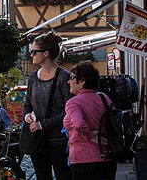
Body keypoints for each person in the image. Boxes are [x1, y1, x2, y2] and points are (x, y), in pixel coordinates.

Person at [23, 31, 73, 180]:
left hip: (59, 140)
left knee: (63, 176)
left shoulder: (64, 77)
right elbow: (28, 104)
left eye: (34, 51)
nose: (31, 55)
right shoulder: (33, 78)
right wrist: (27, 116)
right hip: (38, 141)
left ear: (45, 53)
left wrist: (43, 124)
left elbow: (68, 111)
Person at [63, 61, 116, 180]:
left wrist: (90, 135)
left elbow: (78, 124)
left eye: (72, 78)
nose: (69, 81)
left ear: (82, 81)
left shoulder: (73, 103)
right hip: (107, 156)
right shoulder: (103, 98)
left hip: (83, 159)